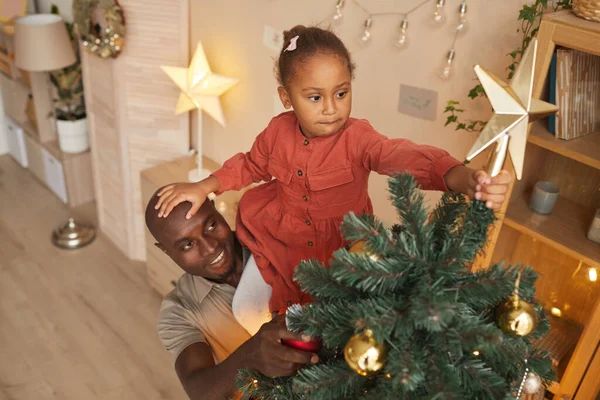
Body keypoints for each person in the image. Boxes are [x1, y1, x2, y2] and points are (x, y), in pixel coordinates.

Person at [154, 26, 512, 314]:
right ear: (286, 97)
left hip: (341, 238)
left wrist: (457, 175)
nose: (330, 109)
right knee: (287, 301)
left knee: (340, 305)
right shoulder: (277, 131)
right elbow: (250, 165)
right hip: (286, 233)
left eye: (341, 94)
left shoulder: (358, 137)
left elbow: (400, 155)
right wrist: (206, 186)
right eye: (314, 97)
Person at [145, 193, 318, 400]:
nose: (211, 248)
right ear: (165, 251)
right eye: (188, 245)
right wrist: (250, 356)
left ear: (214, 207)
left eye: (210, 225)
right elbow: (200, 391)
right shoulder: (179, 310)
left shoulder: (274, 243)